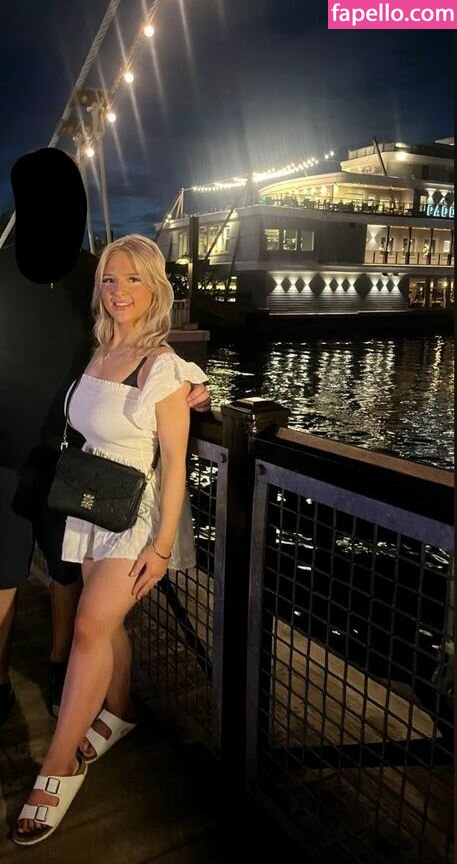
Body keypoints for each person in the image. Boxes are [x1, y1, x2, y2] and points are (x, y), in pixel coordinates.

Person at [12, 234, 209, 844]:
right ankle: (119, 712)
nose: (119, 291)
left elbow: (174, 467)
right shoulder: (100, 350)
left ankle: (58, 765)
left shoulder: (163, 366)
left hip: (134, 517)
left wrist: (161, 547)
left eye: (133, 279)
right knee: (108, 625)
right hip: (90, 503)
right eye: (109, 279)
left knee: (90, 627)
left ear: (156, 287)